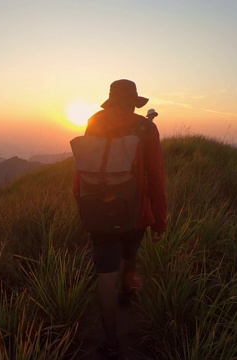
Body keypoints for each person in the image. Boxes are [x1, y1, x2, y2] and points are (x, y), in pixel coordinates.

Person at [72, 79, 167, 358]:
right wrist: (160, 221)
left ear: (111, 100)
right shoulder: (146, 128)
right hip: (135, 212)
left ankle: (111, 343)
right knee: (129, 253)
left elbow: (82, 170)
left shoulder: (95, 121)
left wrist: (83, 208)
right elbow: (157, 178)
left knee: (105, 273)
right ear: (134, 102)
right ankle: (127, 293)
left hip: (97, 210)